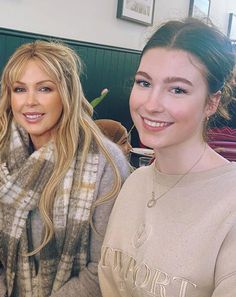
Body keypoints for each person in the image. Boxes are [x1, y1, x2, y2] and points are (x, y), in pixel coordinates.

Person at [0, 40, 130, 297]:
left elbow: (100, 269)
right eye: (20, 89)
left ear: (66, 93)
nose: (30, 102)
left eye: (44, 89)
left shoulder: (105, 163)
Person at [99, 18, 236, 297]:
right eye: (144, 82)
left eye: (177, 89)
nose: (151, 104)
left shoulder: (229, 201)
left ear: (212, 102)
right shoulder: (135, 182)